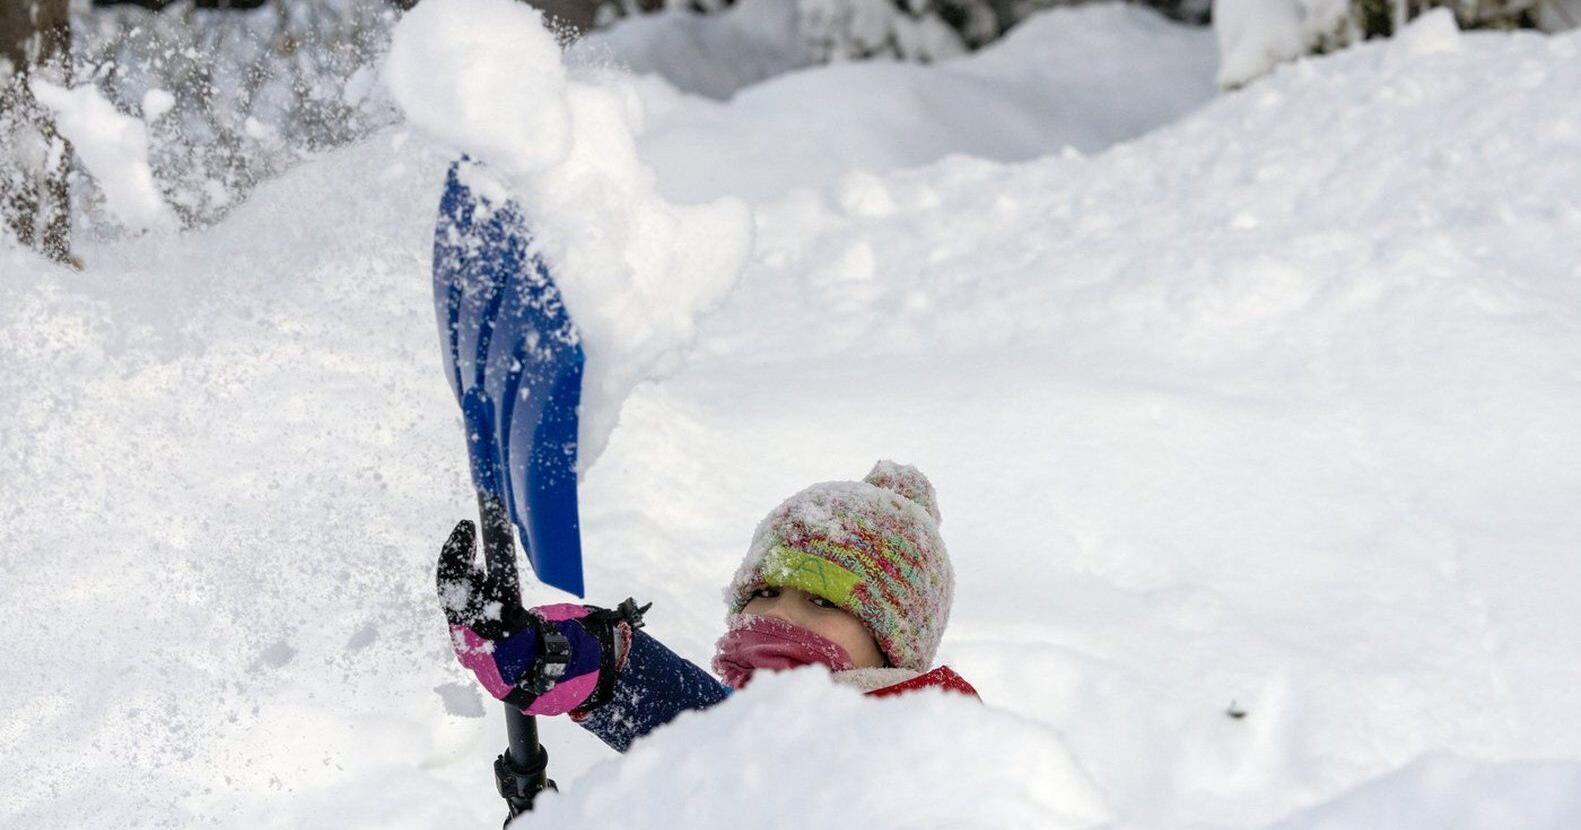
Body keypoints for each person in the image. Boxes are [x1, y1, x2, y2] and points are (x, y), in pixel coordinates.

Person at [438, 460, 978, 754]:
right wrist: (545, 653)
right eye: (764, 593)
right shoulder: (739, 733)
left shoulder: (934, 756)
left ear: (893, 648)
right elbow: (647, 691)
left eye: (820, 601)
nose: (780, 617)